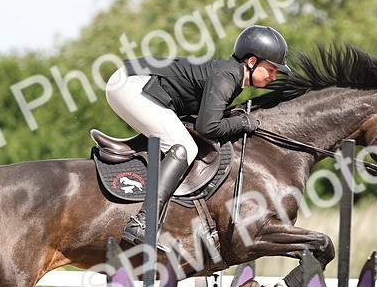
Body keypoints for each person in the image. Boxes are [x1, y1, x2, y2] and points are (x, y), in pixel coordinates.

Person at [104, 24, 292, 247]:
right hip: (130, 85)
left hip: (136, 82)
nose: (273, 76)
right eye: (271, 69)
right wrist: (243, 122)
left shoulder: (233, 75)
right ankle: (143, 223)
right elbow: (208, 128)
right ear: (252, 62)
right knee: (185, 147)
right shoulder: (227, 75)